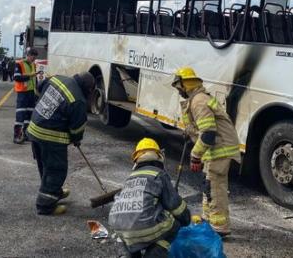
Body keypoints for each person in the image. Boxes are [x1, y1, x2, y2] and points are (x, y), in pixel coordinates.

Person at [171, 67, 240, 236]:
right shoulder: (197, 99)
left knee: (215, 189)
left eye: (179, 86)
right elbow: (202, 129)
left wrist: (195, 155)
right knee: (208, 185)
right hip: (215, 150)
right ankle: (208, 221)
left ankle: (219, 228)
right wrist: (190, 132)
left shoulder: (198, 101)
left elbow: (209, 133)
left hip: (220, 149)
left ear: (186, 85)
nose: (178, 90)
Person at [109, 138, 191, 257]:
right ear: (158, 156)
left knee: (131, 233)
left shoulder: (131, 177)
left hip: (119, 228)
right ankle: (154, 254)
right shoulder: (159, 174)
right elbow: (175, 205)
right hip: (144, 229)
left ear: (136, 159)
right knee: (174, 224)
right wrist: (186, 219)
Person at [27, 72, 95, 215]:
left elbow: (38, 89)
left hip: (34, 128)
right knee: (56, 170)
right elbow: (76, 128)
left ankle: (54, 192)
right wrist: (76, 139)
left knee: (45, 166)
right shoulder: (78, 100)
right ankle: (45, 206)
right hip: (51, 137)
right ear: (87, 89)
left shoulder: (57, 79)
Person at [13, 47, 38, 144]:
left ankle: (26, 134)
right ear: (28, 55)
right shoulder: (19, 64)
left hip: (31, 93)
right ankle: (17, 136)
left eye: (35, 57)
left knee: (29, 115)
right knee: (20, 115)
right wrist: (30, 76)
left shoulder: (33, 65)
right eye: (32, 56)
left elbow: (34, 80)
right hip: (22, 93)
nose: (33, 59)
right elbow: (16, 77)